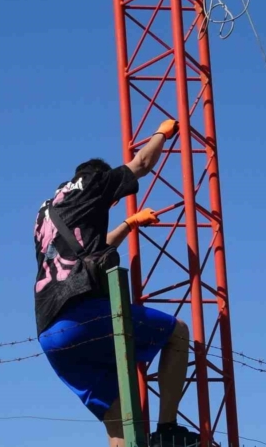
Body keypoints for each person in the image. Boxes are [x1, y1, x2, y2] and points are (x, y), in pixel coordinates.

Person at [33, 119, 201, 447]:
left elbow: (84, 253)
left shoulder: (47, 211)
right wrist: (162, 133)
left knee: (120, 419)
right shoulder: (94, 181)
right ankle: (167, 429)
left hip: (50, 333)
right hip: (82, 315)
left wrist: (128, 223)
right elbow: (141, 164)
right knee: (177, 332)